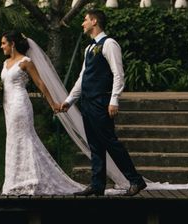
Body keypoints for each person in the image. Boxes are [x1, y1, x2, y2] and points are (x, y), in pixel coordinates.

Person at [60, 10, 147, 197]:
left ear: (94, 21)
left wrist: (114, 99)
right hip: (87, 102)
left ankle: (136, 180)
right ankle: (97, 184)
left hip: (101, 101)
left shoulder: (109, 44)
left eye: (85, 20)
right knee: (95, 145)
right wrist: (69, 100)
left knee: (110, 142)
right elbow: (82, 78)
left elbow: (118, 74)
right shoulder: (89, 48)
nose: (82, 24)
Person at [0, 31, 84, 195]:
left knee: (24, 137)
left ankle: (30, 180)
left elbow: (40, 83)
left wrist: (52, 103)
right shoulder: (5, 63)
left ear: (13, 44)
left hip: (19, 104)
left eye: (4, 43)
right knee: (12, 139)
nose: (1, 46)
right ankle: (15, 181)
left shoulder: (26, 62)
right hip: (7, 106)